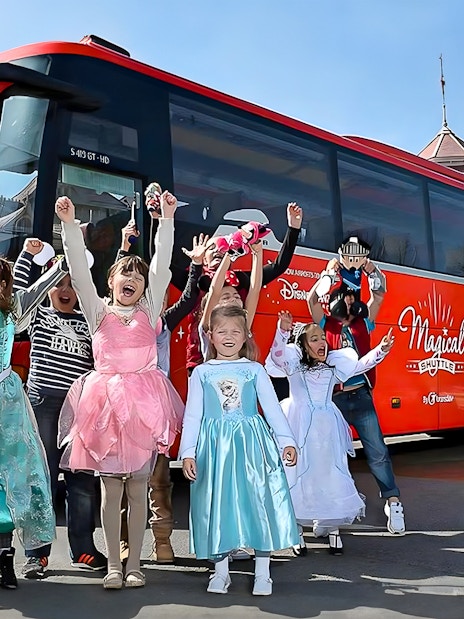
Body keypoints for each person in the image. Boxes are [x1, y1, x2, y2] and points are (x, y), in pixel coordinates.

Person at [55, 194, 184, 590]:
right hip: (105, 406)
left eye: (138, 276)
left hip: (144, 406)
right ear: (110, 281)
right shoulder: (98, 312)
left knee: (139, 485)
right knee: (110, 489)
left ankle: (136, 565)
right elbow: (78, 271)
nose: (131, 278)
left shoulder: (149, 312)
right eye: (123, 273)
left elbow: (162, 263)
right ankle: (114, 563)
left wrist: (166, 220)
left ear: (145, 287)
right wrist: (70, 226)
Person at [179, 305, 299, 596]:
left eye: (236, 331)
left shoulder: (254, 370)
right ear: (210, 335)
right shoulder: (202, 373)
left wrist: (286, 441)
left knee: (259, 502)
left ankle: (263, 572)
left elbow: (271, 408)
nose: (229, 337)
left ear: (246, 335)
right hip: (215, 448)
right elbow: (193, 415)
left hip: (251, 444)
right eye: (222, 331)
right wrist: (188, 452)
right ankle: (220, 572)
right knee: (218, 504)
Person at [12, 240, 106, 578]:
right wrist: (27, 257)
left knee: (82, 481)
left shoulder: (89, 323)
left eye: (71, 284)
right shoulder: (38, 314)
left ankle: (83, 549)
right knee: (43, 478)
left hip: (80, 410)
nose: (64, 290)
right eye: (58, 283)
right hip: (43, 405)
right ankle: (36, 554)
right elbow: (18, 297)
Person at [117, 221, 209, 565]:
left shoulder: (162, 321)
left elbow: (188, 299)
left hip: (155, 407)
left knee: (158, 479)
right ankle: (126, 541)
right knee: (123, 478)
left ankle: (163, 540)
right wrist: (125, 247)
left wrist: (196, 264)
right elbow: (116, 281)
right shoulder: (118, 319)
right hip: (123, 407)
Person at [270, 310, 394, 555]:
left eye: (322, 338)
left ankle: (330, 525)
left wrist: (382, 349)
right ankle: (295, 528)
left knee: (328, 472)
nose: (321, 343)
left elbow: (361, 366)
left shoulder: (333, 367)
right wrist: (282, 331)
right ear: (303, 346)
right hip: (298, 424)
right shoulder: (293, 365)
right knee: (297, 474)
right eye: (314, 339)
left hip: (327, 427)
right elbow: (277, 355)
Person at [307, 257, 405, 535]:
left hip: (361, 397)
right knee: (328, 455)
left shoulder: (365, 323)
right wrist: (328, 273)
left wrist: (370, 269)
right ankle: (326, 511)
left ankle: (393, 502)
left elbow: (380, 294)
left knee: (378, 453)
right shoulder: (325, 323)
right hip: (334, 400)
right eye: (344, 299)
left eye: (353, 300)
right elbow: (312, 298)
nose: (349, 304)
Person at [169, 201, 303, 374]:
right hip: (201, 360)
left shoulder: (239, 280)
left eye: (222, 248)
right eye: (212, 247)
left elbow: (275, 269)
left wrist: (293, 229)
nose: (218, 250)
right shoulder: (195, 281)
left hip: (237, 363)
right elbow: (212, 290)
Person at [0, 255, 66, 588]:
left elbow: (38, 288)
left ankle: (5, 559)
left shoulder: (11, 310)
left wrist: (30, 257)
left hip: (7, 404)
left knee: (14, 481)